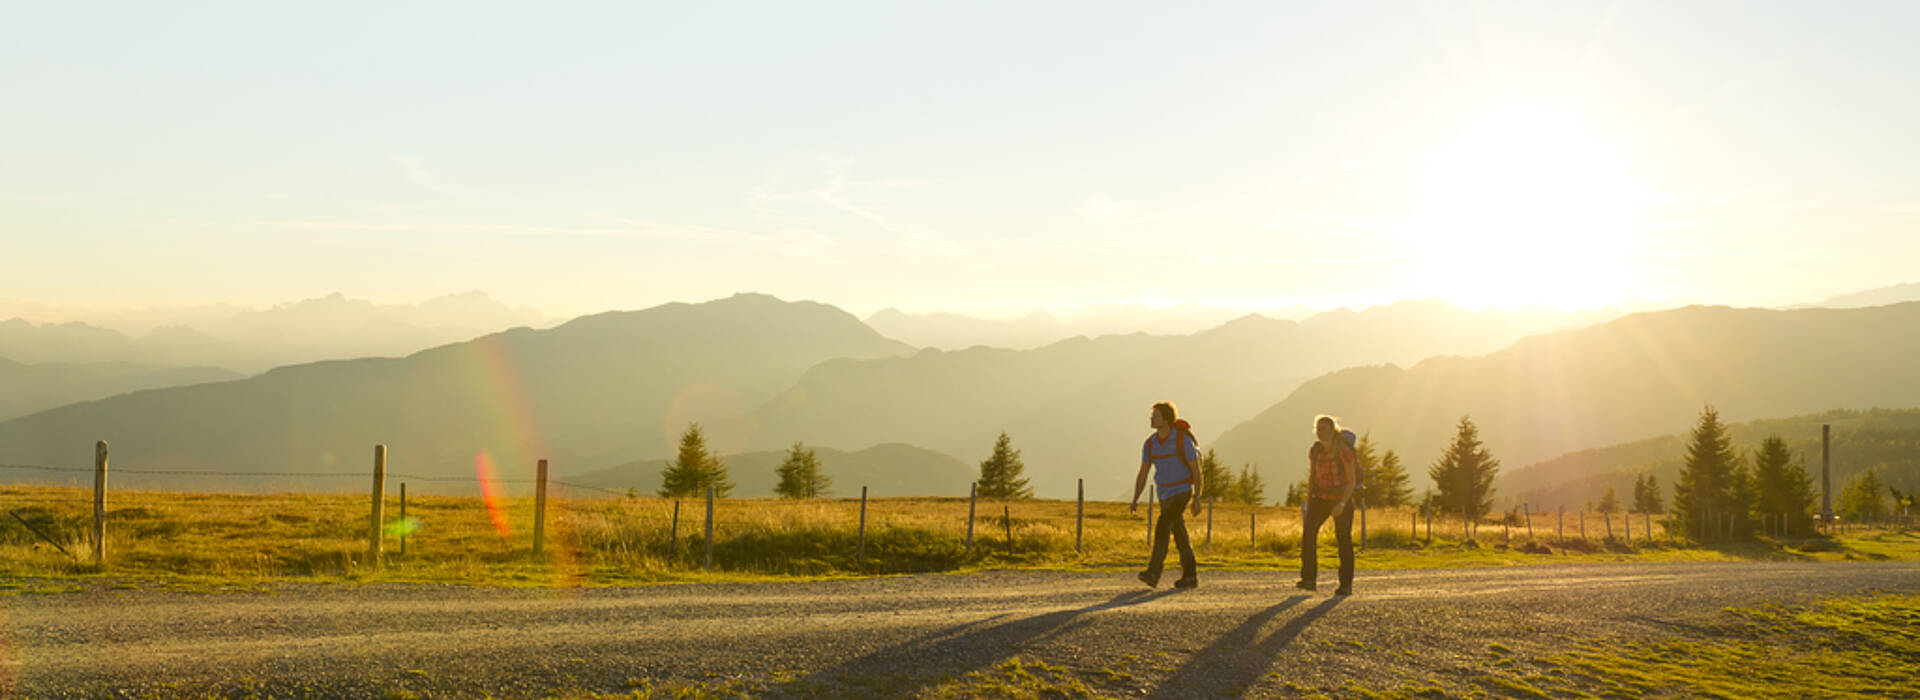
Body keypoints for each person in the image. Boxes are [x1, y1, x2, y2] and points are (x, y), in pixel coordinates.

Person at [1132, 401, 1204, 588]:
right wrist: (1135, 498)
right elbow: (1143, 473)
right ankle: (1190, 576)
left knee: (1162, 527)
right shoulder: (1150, 444)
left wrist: (1197, 497)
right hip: (1164, 495)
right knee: (1180, 535)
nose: (1151, 418)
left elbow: (1196, 470)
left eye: (1155, 415)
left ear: (1166, 419)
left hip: (1181, 492)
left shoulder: (1182, 440)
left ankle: (1153, 573)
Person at [1298, 414, 1359, 595]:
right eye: (1318, 429)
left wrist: (1342, 503)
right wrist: (1309, 503)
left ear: (1333, 431)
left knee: (1343, 540)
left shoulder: (1344, 451)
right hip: (1321, 498)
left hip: (1342, 499)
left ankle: (1345, 585)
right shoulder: (1315, 451)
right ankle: (1309, 579)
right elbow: (1312, 478)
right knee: (1308, 534)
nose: (1320, 433)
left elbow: (1351, 481)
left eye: (1324, 429)